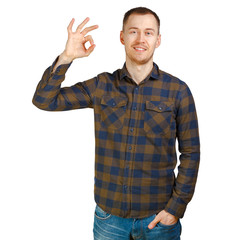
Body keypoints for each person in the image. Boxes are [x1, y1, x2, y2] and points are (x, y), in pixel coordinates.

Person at [32, 7, 200, 240]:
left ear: (158, 40)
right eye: (133, 31)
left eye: (149, 33)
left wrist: (175, 208)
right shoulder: (102, 85)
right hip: (109, 219)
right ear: (122, 36)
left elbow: (191, 153)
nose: (141, 39)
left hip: (160, 220)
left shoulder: (178, 91)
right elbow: (44, 100)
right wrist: (66, 57)